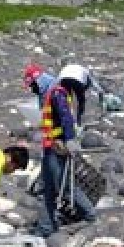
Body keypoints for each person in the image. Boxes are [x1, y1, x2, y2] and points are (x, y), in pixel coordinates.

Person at [25, 63, 95, 237]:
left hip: (58, 147)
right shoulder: (55, 93)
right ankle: (46, 227)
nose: (32, 89)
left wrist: (70, 140)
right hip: (50, 146)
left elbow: (65, 118)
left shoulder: (58, 93)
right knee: (48, 188)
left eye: (33, 85)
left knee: (63, 187)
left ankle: (90, 216)